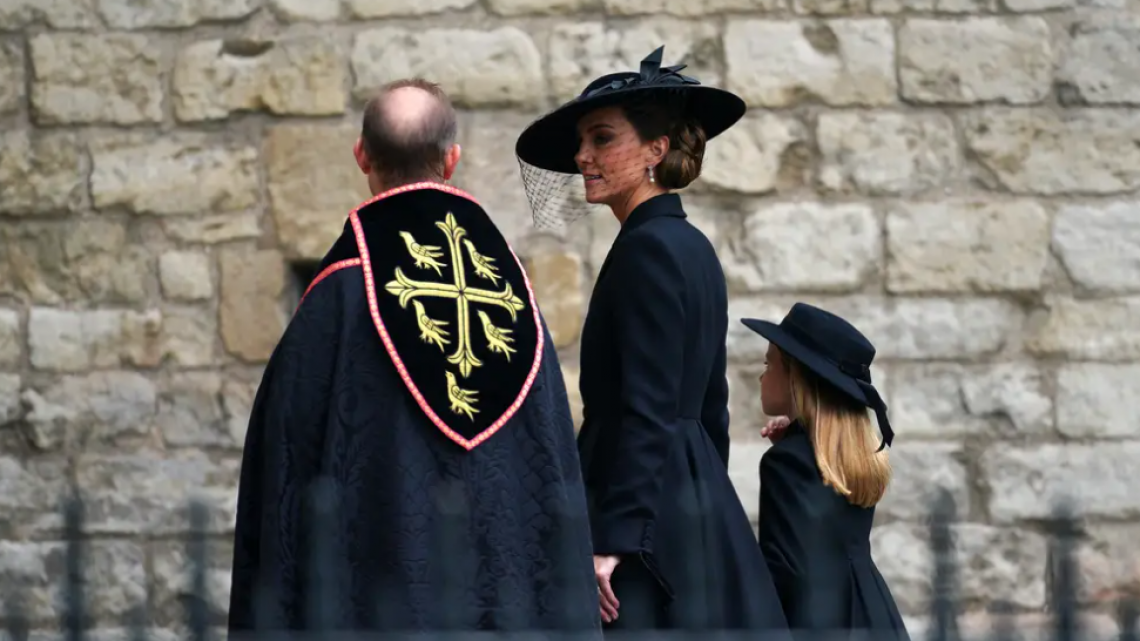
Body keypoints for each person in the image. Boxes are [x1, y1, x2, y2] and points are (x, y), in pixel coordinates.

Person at [227, 78, 601, 634]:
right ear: (451, 160)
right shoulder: (513, 296)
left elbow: (281, 472)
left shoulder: (336, 298)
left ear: (361, 156)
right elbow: (549, 469)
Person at [514, 47, 790, 632]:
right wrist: (703, 503)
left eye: (602, 138)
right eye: (582, 142)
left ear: (655, 150)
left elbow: (648, 408)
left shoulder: (649, 249)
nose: (582, 156)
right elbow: (708, 406)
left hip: (643, 507)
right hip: (682, 491)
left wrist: (615, 539)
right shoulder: (687, 244)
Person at [741, 302, 910, 639]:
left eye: (768, 364)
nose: (761, 375)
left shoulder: (786, 463)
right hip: (873, 614)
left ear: (795, 377)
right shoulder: (851, 458)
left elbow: (788, 573)